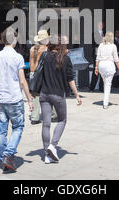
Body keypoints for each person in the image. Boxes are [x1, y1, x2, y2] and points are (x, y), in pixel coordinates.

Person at [0, 27, 34, 172]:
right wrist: (29, 98)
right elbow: (22, 81)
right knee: (18, 127)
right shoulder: (18, 57)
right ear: (14, 40)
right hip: (14, 97)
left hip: (1, 98)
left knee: (2, 130)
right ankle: (8, 154)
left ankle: (3, 156)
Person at [39, 35, 82, 164]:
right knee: (62, 120)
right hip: (58, 94)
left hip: (44, 93)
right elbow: (70, 79)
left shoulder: (44, 56)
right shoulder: (65, 59)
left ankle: (47, 154)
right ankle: (53, 145)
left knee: (46, 124)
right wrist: (77, 95)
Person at [29, 30, 57, 125]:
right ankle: (53, 115)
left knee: (35, 96)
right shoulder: (47, 49)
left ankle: (34, 117)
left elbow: (31, 64)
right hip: (45, 74)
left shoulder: (32, 49)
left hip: (34, 73)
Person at [95, 32, 119, 109]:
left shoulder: (101, 45)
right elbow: (116, 59)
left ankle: (105, 100)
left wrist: (96, 68)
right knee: (108, 84)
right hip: (109, 65)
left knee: (105, 83)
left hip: (101, 66)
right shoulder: (113, 46)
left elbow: (98, 58)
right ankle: (105, 103)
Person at [89, 21, 105, 92]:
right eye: (99, 24)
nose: (101, 26)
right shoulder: (94, 33)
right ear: (97, 25)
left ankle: (102, 87)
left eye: (102, 25)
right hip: (96, 53)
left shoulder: (105, 33)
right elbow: (94, 43)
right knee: (96, 70)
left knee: (103, 70)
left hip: (104, 54)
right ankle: (92, 87)